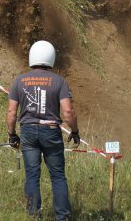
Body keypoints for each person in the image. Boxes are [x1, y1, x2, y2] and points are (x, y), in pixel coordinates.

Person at [7, 40, 79, 220]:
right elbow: (68, 112)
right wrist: (75, 131)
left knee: (32, 175)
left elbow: (11, 112)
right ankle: (62, 217)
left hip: (28, 132)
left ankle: (33, 216)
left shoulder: (19, 81)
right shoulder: (59, 81)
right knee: (58, 177)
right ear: (51, 57)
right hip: (51, 131)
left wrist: (12, 134)